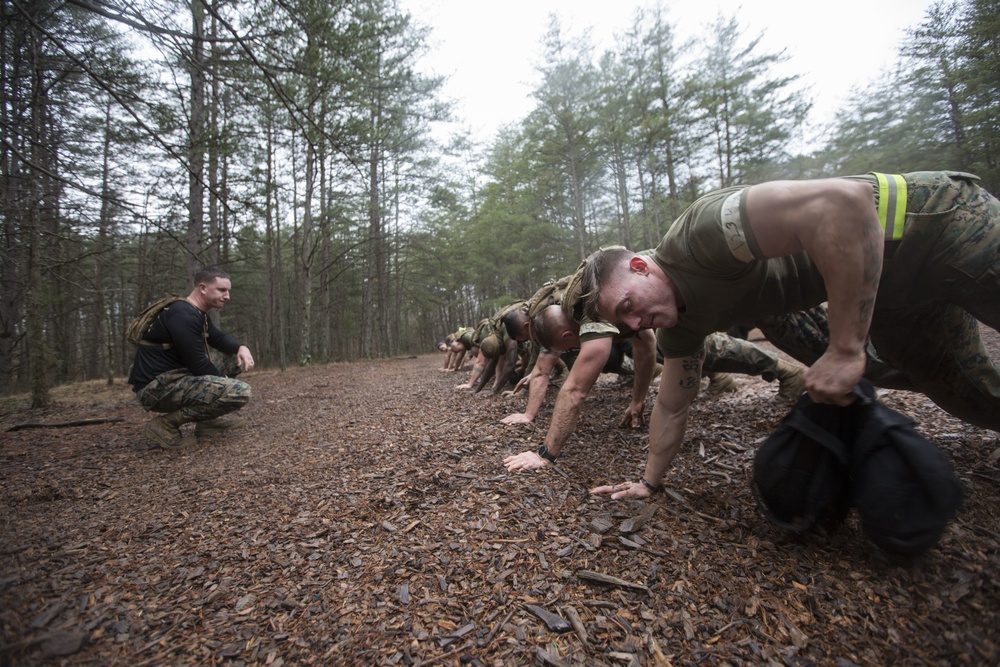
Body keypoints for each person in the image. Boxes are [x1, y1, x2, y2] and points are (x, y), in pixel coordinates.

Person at [572, 170, 1000, 499]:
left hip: (934, 225)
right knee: (965, 393)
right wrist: (648, 482)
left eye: (628, 307)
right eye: (622, 323)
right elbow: (671, 405)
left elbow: (843, 203)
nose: (633, 325)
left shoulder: (700, 238)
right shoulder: (679, 328)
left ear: (641, 267)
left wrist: (846, 347)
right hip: (891, 291)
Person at [128, 268, 254, 450]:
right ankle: (165, 425)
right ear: (203, 288)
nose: (227, 296)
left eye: (228, 291)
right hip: (155, 388)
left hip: (173, 377)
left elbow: (217, 338)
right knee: (239, 392)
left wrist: (241, 347)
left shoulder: (196, 312)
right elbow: (198, 365)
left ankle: (208, 421)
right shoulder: (183, 315)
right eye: (221, 290)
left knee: (230, 359)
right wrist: (224, 385)